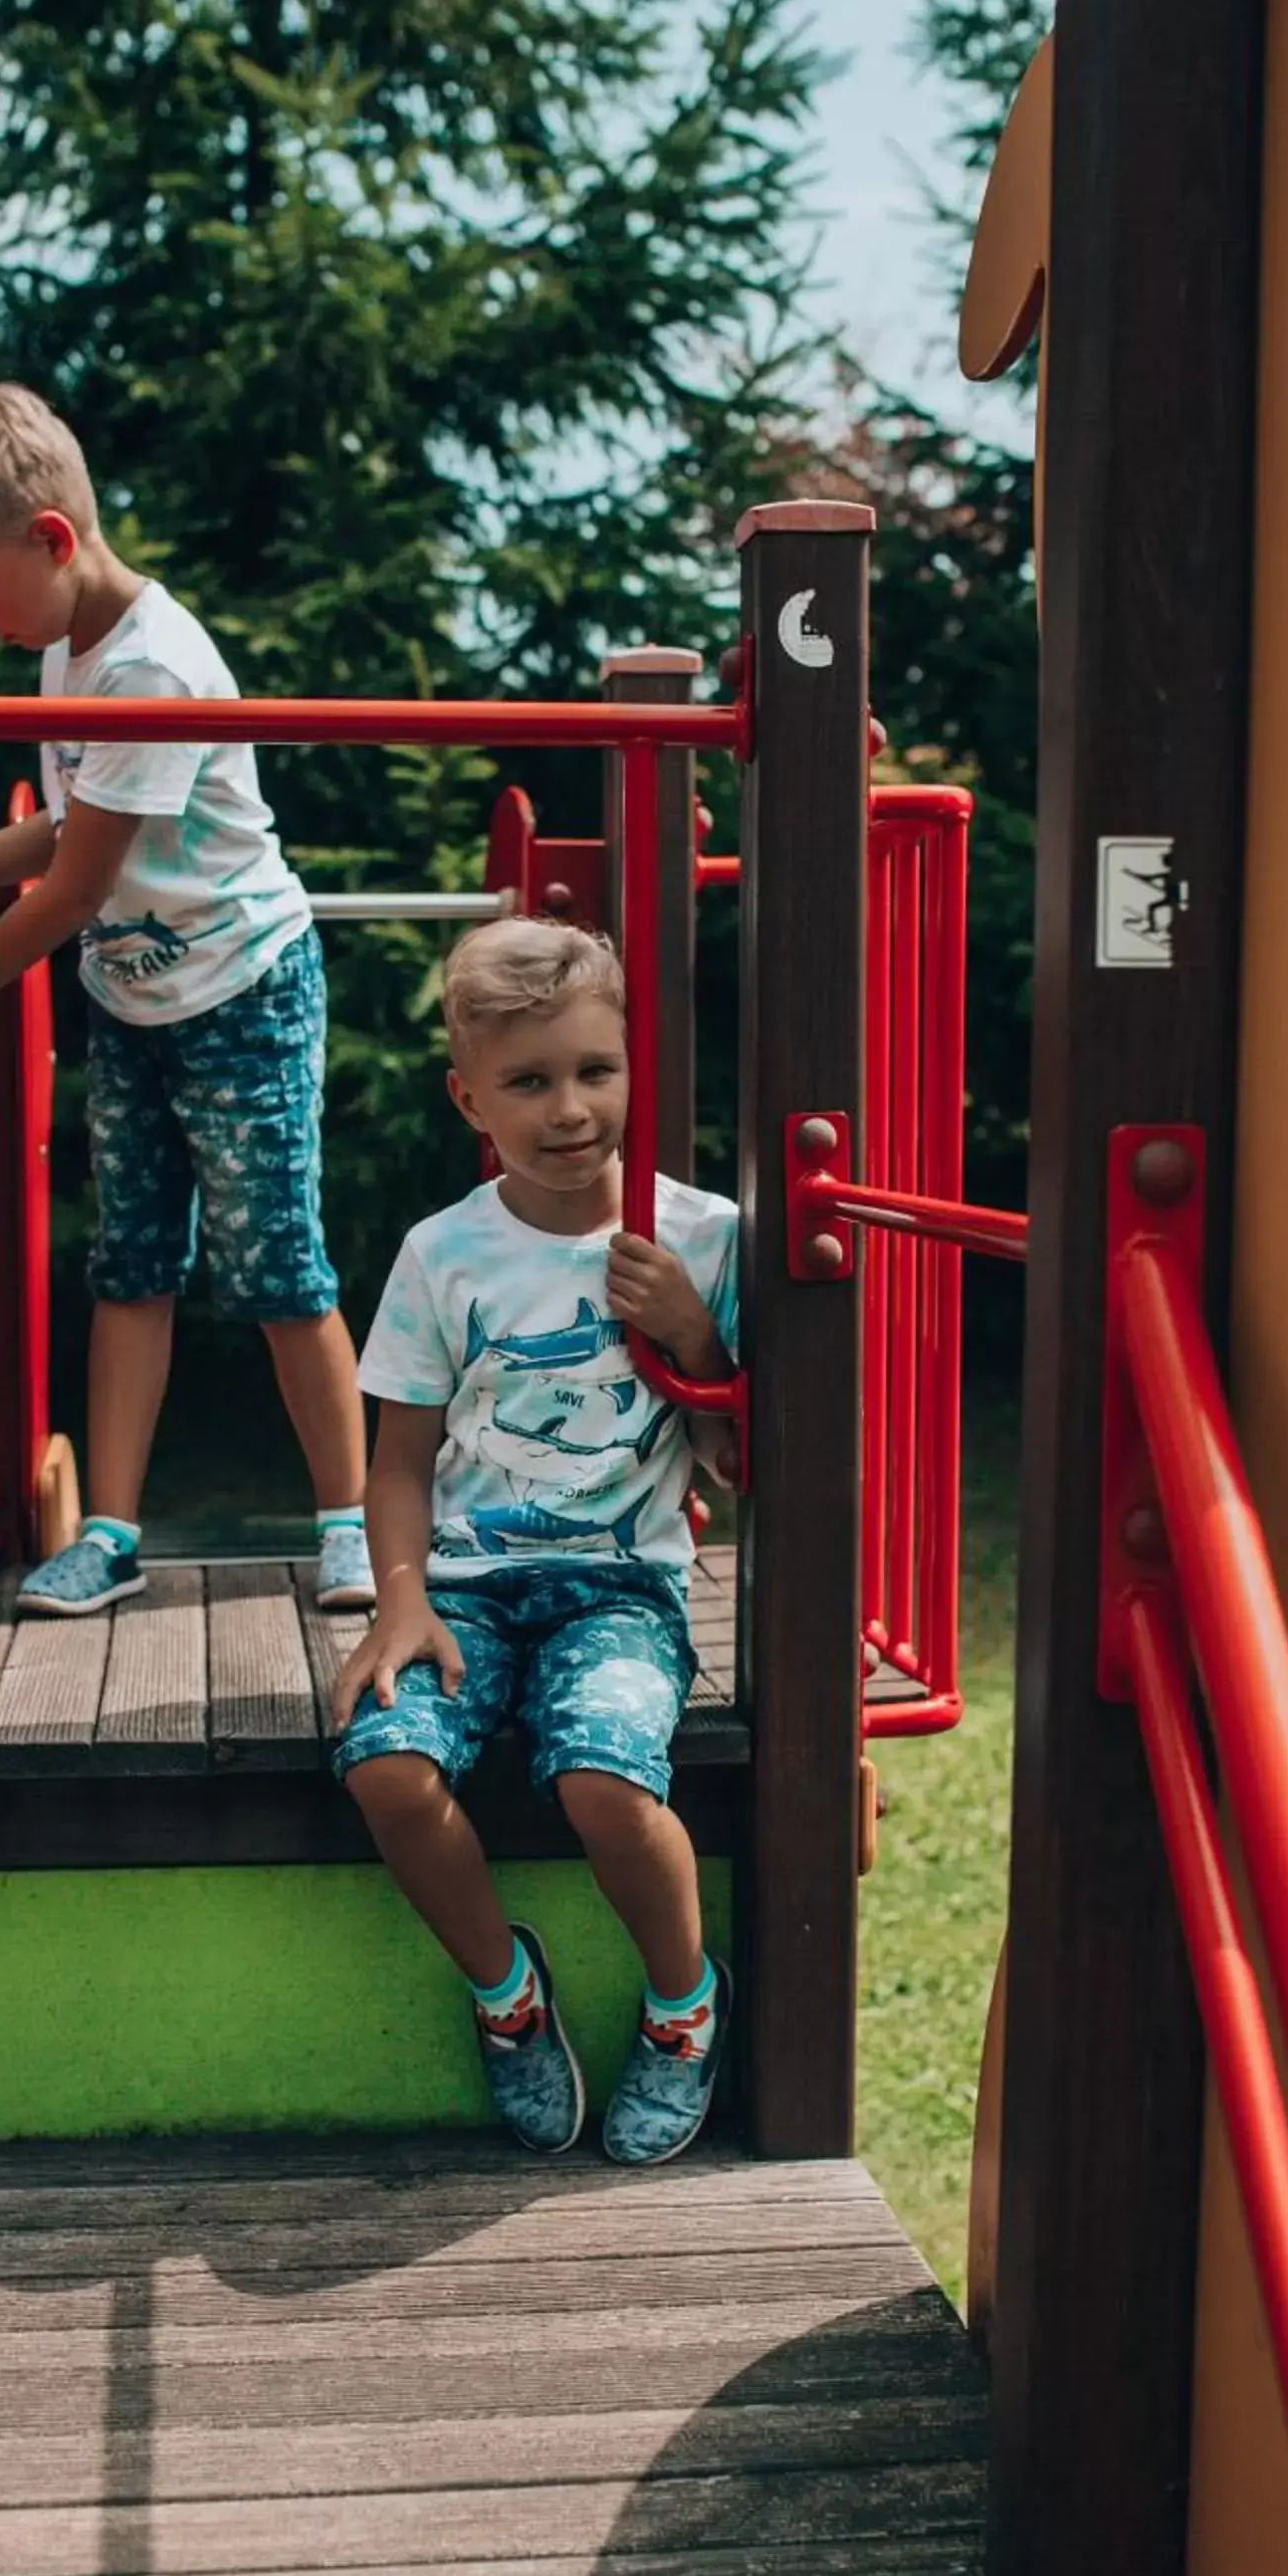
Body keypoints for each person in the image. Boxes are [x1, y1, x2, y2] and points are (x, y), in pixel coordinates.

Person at [0, 384, 374, 1615]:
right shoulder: (66, 641)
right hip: (136, 998)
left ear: (51, 539)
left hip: (241, 987)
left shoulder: (152, 662)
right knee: (130, 1266)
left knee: (277, 1267)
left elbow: (80, 884)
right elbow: (67, 827)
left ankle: (355, 1524)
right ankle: (108, 1532)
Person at [332, 917, 737, 2165]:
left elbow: (751, 1467)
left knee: (601, 1780)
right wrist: (399, 1598)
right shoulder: (442, 1254)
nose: (567, 1110)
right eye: (527, 1082)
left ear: (636, 1067)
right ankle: (507, 1994)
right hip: (465, 1583)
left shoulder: (706, 1237)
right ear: (471, 1098)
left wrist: (696, 1343)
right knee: (386, 1768)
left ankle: (681, 2008)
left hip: (622, 1590)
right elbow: (395, 1460)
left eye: (592, 1072)